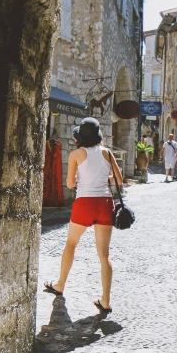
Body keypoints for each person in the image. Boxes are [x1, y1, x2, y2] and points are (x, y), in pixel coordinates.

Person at [44, 117, 121, 316]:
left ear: (80, 137)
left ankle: (60, 284)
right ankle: (105, 300)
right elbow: (118, 180)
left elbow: (70, 184)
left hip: (85, 203)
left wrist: (80, 176)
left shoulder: (76, 154)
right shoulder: (108, 153)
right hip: (105, 203)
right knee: (104, 255)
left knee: (71, 244)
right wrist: (103, 176)